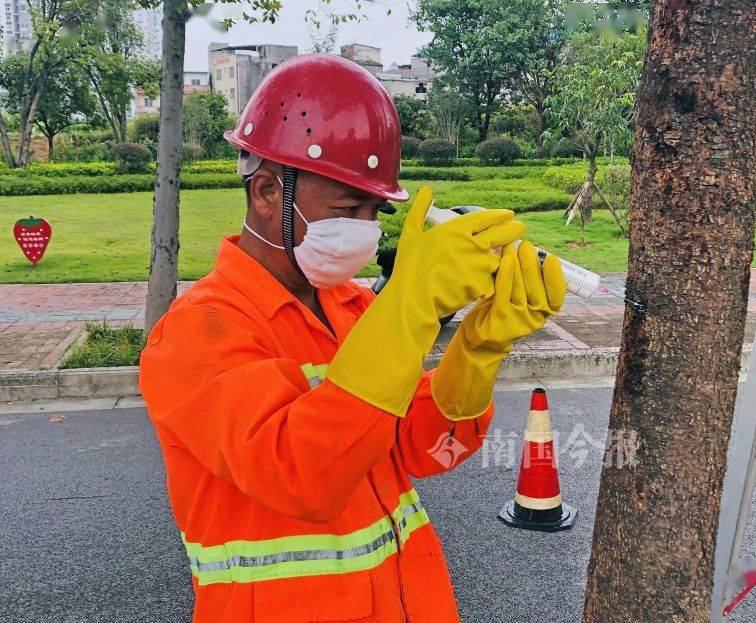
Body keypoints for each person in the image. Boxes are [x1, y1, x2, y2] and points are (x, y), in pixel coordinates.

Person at [139, 53, 566, 623]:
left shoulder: (355, 307)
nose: (365, 228)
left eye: (372, 210)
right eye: (348, 207)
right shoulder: (197, 333)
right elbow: (302, 476)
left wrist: (480, 348)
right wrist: (409, 304)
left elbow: (427, 449)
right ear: (267, 192)